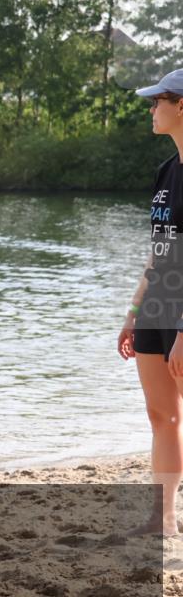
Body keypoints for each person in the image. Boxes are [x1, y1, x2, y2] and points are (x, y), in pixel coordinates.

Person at [117, 68, 183, 536]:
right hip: (158, 305)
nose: (151, 109)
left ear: (182, 105)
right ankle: (163, 520)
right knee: (162, 415)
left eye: (158, 100)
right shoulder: (166, 170)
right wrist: (133, 311)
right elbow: (160, 251)